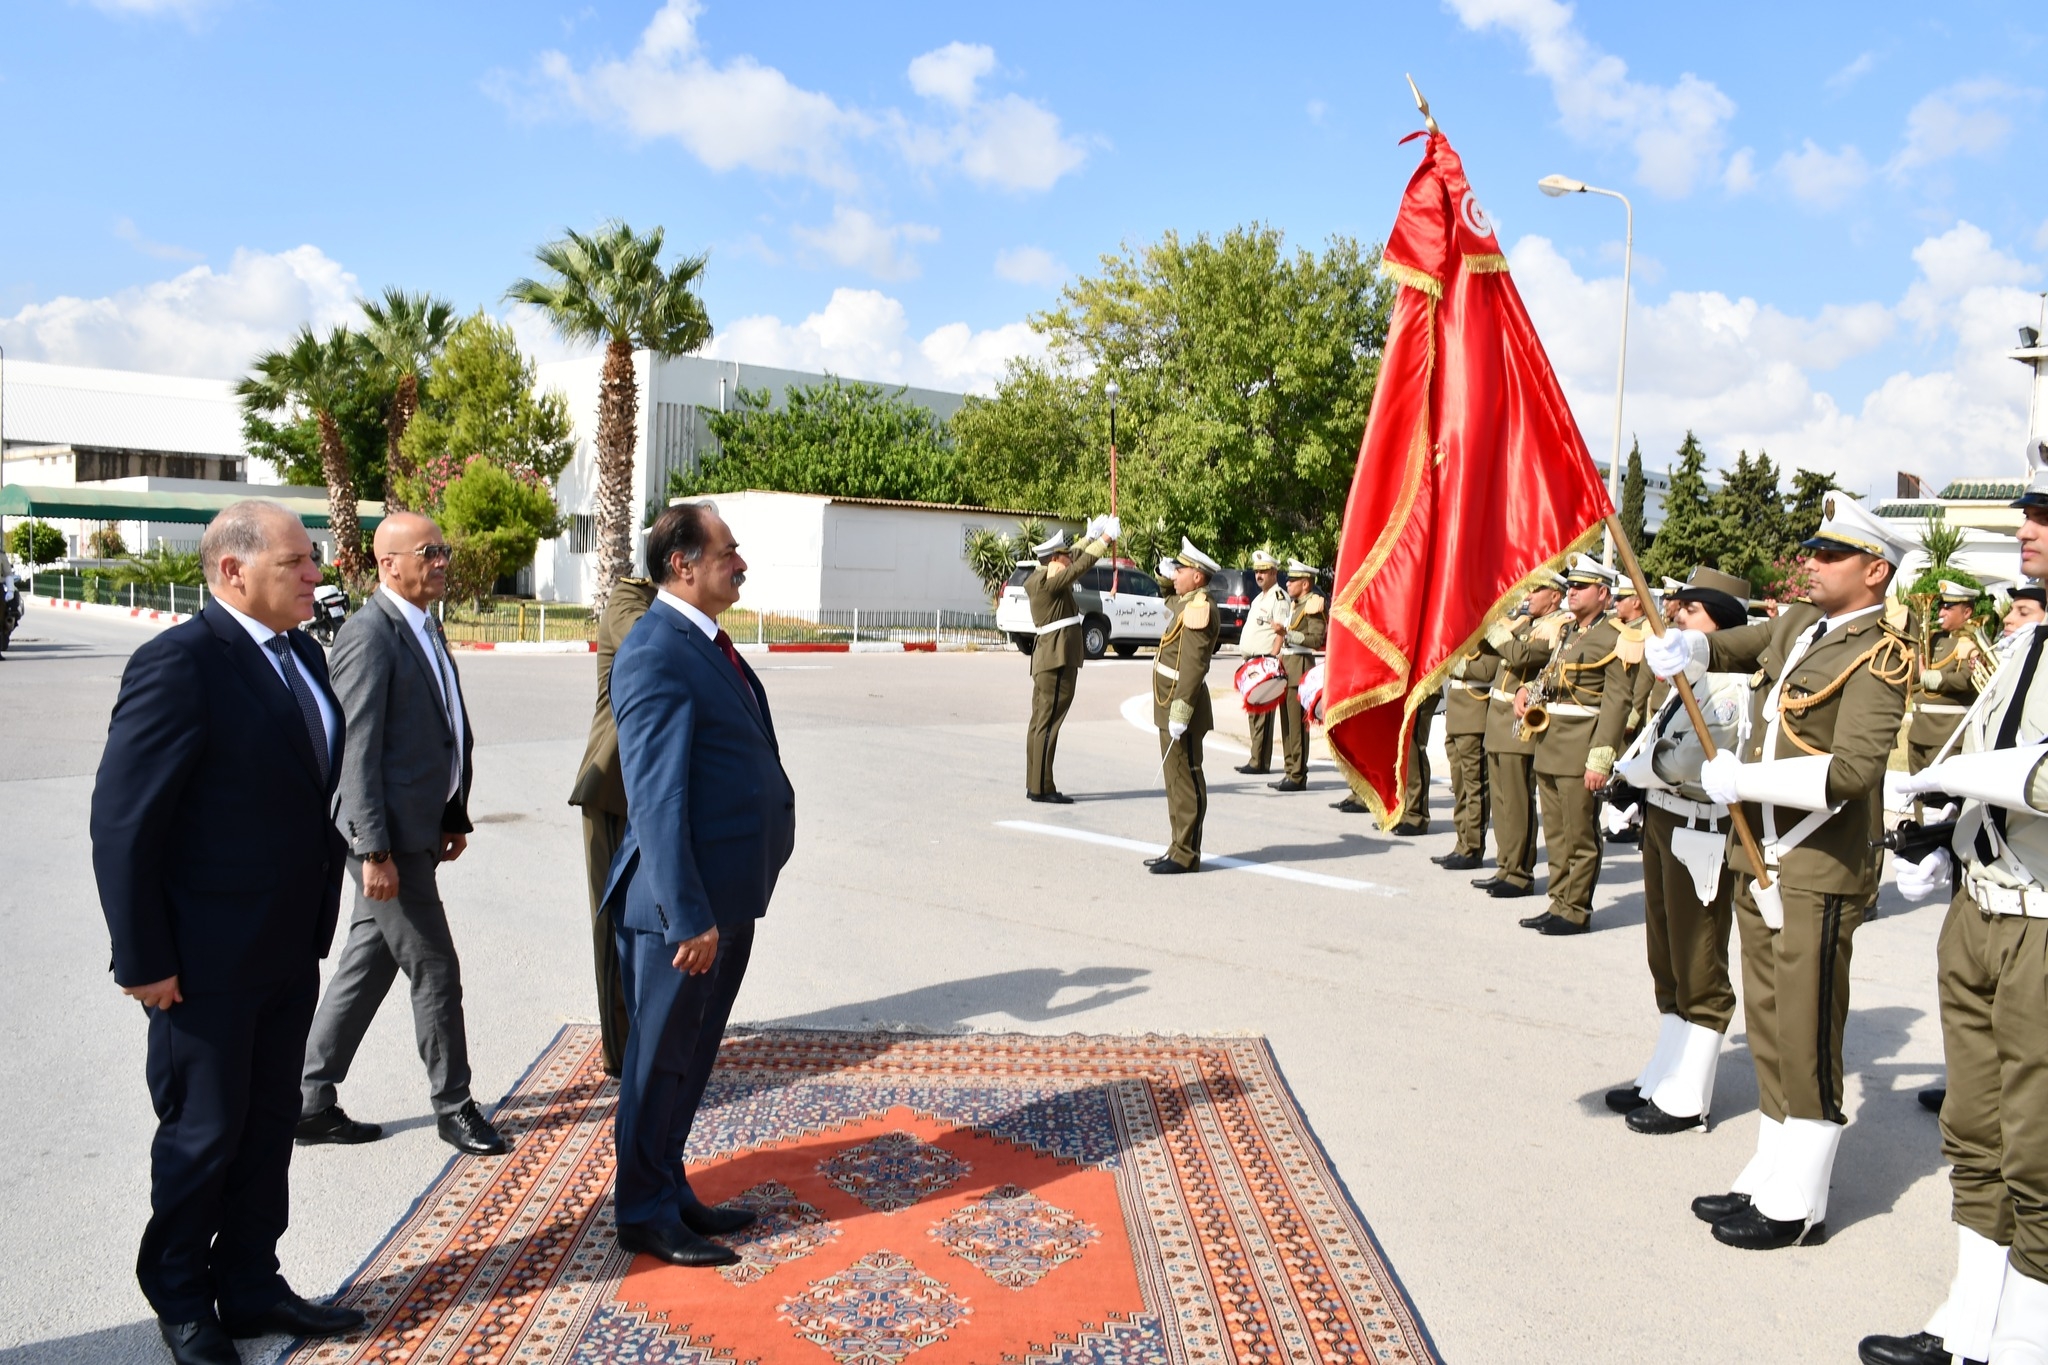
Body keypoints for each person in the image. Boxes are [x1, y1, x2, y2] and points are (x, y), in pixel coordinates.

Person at [91, 500, 364, 1365]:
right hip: (201, 962)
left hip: (287, 945)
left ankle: (249, 1279)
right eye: (297, 563)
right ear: (232, 571)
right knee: (203, 1134)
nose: (316, 575)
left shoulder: (305, 658)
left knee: (268, 1123)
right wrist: (143, 959)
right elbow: (125, 826)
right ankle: (180, 1293)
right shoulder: (178, 664)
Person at [1647, 494, 1912, 1251]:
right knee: (1766, 1021)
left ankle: (1804, 1196)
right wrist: (1688, 651)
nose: (1812, 564)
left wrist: (1749, 782)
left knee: (1805, 1026)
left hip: (1816, 862)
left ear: (1874, 570)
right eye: (1813, 552)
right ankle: (1770, 1165)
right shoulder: (1799, 624)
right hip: (1757, 854)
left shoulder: (1881, 652)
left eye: (1831, 556)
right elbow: (1735, 645)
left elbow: (1857, 770)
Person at [1865, 474, 2048, 1365]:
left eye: (2047, 519)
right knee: (1974, 1130)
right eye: (2032, 513)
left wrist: (1960, 784)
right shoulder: (2022, 647)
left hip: (2045, 927)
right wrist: (1944, 831)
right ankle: (1969, 1319)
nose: (2030, 528)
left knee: (2041, 1147)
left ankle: (2027, 1340)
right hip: (1980, 910)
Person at [605, 501, 796, 1267]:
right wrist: (687, 914)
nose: (740, 562)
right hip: (679, 910)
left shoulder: (705, 642)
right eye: (727, 551)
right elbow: (655, 796)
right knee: (658, 1060)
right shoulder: (655, 650)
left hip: (723, 894)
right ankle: (642, 1210)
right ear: (681, 563)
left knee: (689, 1056)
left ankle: (666, 1183)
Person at [297, 513, 506, 1158]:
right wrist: (373, 851)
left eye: (444, 548)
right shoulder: (368, 635)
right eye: (429, 551)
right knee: (434, 967)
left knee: (367, 962)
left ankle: (304, 1098)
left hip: (416, 832)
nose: (443, 559)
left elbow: (441, 727)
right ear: (388, 564)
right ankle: (454, 1105)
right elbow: (355, 752)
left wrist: (451, 813)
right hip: (387, 844)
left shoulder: (424, 624)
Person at [1605, 567, 1752, 1134]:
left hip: (1700, 830)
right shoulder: (1686, 677)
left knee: (1698, 960)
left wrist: (1634, 775)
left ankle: (1690, 1094)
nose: (1677, 620)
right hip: (1667, 821)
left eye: (1690, 612)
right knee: (1665, 955)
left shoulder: (1730, 684)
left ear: (1719, 624)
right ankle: (1664, 1071)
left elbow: (1687, 761)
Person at [568, 573, 659, 1078]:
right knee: (614, 929)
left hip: (646, 791)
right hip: (612, 788)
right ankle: (622, 1051)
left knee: (647, 923)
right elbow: (654, 646)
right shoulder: (631, 599)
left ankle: (647, 1037)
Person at [1518, 555, 1631, 936]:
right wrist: (1527, 692)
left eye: (1581, 587)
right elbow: (1553, 677)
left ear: (1603, 593)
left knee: (1579, 833)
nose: (1573, 592)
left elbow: (1617, 702)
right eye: (1571, 586)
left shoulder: (1615, 636)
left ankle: (1576, 909)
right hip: (1550, 742)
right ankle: (1559, 902)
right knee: (1555, 831)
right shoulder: (1569, 631)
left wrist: (1601, 759)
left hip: (1581, 744)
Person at [1473, 571, 1567, 899]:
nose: (1527, 595)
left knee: (1516, 800)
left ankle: (1519, 873)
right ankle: (1505, 866)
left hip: (1518, 720)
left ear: (1555, 595)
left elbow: (1522, 656)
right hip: (1497, 715)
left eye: (1535, 590)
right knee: (1501, 801)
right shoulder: (1525, 622)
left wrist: (1496, 629)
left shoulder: (1556, 626)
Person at [1022, 518, 1119, 803]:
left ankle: (1035, 782)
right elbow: (1077, 567)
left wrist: (1089, 538)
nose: (1068, 557)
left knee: (1040, 723)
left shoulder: (1042, 577)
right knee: (1048, 724)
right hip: (1056, 659)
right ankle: (1041, 787)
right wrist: (1104, 542)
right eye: (1063, 554)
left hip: (1049, 658)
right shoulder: (1049, 583)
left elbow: (1072, 559)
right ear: (1054, 560)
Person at [1151, 538, 1223, 874]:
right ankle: (1177, 845)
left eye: (1181, 570)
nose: (1175, 574)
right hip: (1169, 703)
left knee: (1186, 778)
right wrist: (1165, 574)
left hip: (1182, 706)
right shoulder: (1187, 602)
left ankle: (1187, 853)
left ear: (1197, 577)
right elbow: (1169, 595)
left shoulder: (1199, 608)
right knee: (1174, 779)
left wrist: (1181, 710)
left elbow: (1193, 667)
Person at [1910, 580, 1987, 773]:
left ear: (1967, 612)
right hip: (1919, 730)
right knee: (1917, 797)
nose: (1941, 613)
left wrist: (1926, 676)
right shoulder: (1932, 638)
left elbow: (1966, 680)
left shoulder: (1972, 642)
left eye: (1948, 608)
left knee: (1942, 799)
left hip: (1947, 734)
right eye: (1941, 607)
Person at [1436, 638, 1498, 869]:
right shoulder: (1463, 630)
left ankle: (1472, 847)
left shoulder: (1491, 628)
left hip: (1474, 715)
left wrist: (1453, 665)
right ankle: (1461, 843)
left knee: (1475, 787)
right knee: (1460, 786)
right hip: (1457, 713)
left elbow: (1485, 670)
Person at [1270, 560, 1328, 794]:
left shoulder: (1313, 604)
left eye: (1292, 580)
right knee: (1286, 723)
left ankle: (1297, 774)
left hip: (1300, 667)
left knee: (1297, 726)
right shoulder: (1295, 604)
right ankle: (1289, 769)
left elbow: (1315, 640)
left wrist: (1288, 634)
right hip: (1288, 665)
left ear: (1305, 584)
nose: (1288, 583)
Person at [1236, 551, 1287, 775]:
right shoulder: (1259, 598)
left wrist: (1273, 660)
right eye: (1257, 571)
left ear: (1274, 573)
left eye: (1264, 571)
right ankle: (1255, 757)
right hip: (1252, 663)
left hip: (1265, 661)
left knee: (1262, 713)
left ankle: (1260, 762)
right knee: (1253, 711)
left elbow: (1282, 632)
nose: (1259, 575)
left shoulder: (1279, 598)